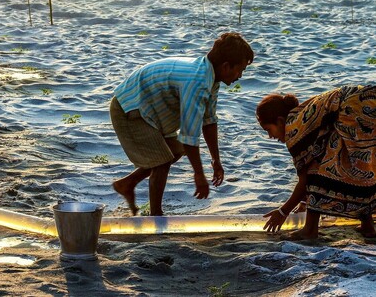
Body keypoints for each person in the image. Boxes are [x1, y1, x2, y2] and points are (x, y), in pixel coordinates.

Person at [110, 32, 254, 216]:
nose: (240, 75)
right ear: (226, 66)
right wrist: (199, 175)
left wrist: (216, 161)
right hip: (129, 108)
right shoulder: (198, 82)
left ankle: (127, 184)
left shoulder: (211, 78)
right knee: (162, 161)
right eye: (240, 70)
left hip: (148, 111)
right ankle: (156, 217)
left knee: (175, 151)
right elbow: (189, 136)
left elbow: (209, 121)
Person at [256, 85, 376, 240]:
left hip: (353, 109)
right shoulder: (302, 115)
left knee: (320, 169)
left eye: (268, 130)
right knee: (361, 166)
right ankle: (368, 226)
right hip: (368, 102)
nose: (270, 136)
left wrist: (283, 212)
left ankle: (310, 230)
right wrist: (306, 202)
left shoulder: (293, 128)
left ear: (280, 121)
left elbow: (306, 179)